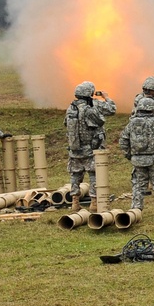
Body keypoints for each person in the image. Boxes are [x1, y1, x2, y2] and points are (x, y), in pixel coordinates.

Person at [65, 81, 116, 212]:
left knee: (75, 175)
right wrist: (106, 97)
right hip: (90, 149)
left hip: (75, 149)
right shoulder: (91, 108)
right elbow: (111, 110)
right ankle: (94, 203)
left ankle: (75, 203)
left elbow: (66, 124)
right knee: (94, 175)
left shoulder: (71, 109)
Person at [119, 97, 154, 217]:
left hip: (137, 160)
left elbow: (123, 140)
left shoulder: (131, 123)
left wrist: (129, 155)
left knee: (138, 186)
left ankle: (135, 211)